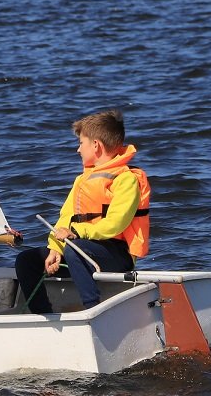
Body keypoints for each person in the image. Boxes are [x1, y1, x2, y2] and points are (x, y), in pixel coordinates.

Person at [14, 109, 151, 314]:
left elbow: (116, 223)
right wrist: (55, 250)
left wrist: (77, 233)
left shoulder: (126, 179)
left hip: (115, 255)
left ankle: (93, 312)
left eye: (81, 143)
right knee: (26, 260)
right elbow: (65, 218)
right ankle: (43, 316)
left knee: (75, 249)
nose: (78, 150)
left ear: (96, 145)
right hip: (78, 249)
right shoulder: (82, 180)